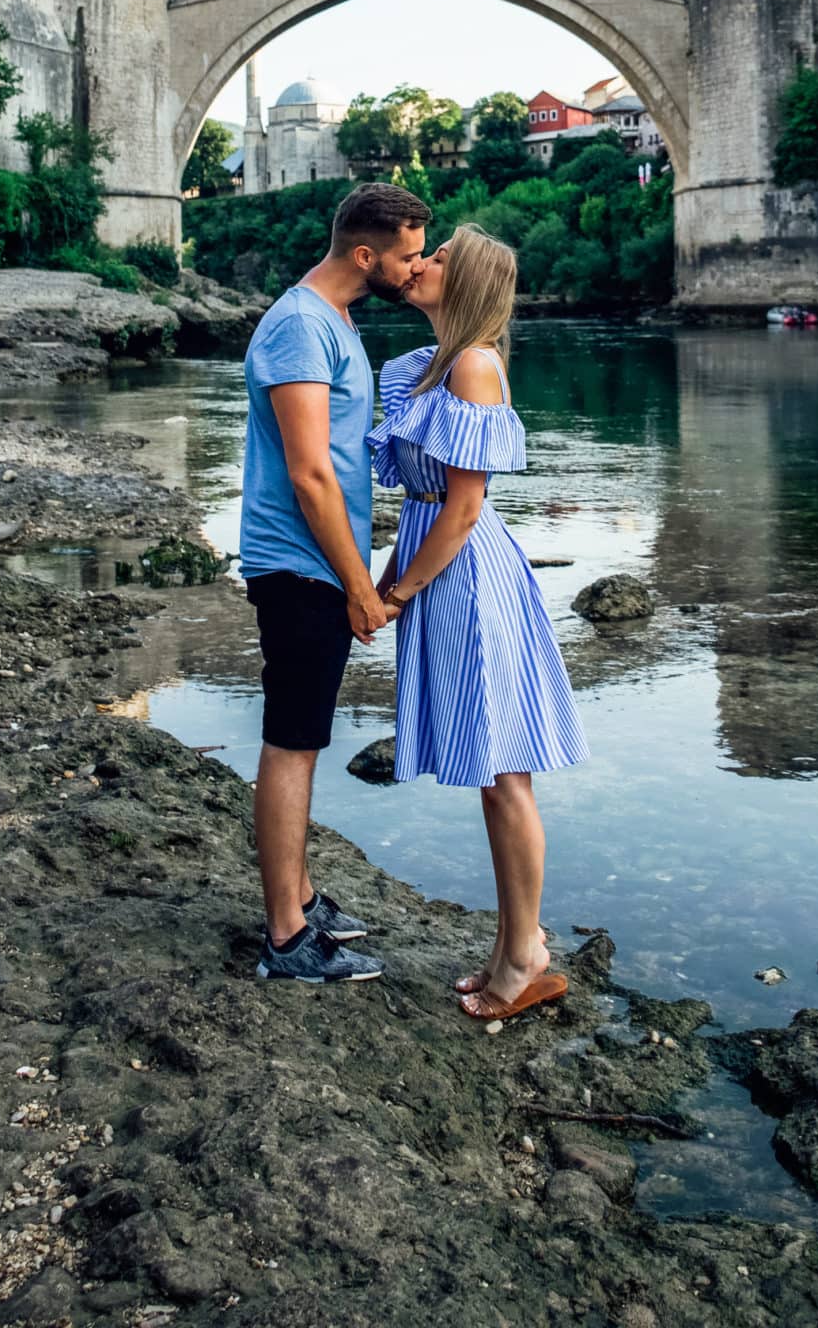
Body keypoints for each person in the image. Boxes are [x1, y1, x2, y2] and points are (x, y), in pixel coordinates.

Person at [368, 222, 589, 1022]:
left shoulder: (473, 364)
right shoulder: (436, 365)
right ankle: (509, 949)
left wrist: (395, 595)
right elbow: (425, 505)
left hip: (468, 575)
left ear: (467, 285)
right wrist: (385, 582)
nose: (422, 264)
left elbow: (464, 510)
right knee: (497, 775)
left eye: (440, 259)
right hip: (443, 566)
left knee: (505, 777)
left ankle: (525, 956)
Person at [241, 181, 430, 984]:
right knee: (293, 743)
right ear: (366, 255)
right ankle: (286, 937)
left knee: (307, 739)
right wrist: (360, 582)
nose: (415, 268)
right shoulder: (299, 329)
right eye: (409, 255)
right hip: (298, 564)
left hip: (321, 563)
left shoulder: (337, 323)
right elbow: (311, 472)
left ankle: (303, 896)